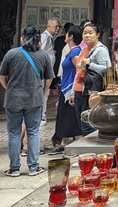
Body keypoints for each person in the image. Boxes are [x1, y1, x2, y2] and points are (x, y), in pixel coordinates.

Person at [0, 25, 55, 177]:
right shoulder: (43, 56)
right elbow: (49, 78)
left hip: (13, 100)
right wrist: (41, 93)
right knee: (33, 132)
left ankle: (14, 168)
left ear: (22, 37)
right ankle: (33, 167)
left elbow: (1, 76)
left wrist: (8, 89)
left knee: (14, 132)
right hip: (34, 100)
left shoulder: (11, 54)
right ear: (38, 39)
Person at [49, 25, 83, 154]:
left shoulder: (75, 53)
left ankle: (71, 144)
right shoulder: (71, 50)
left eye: (67, 34)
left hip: (71, 90)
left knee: (69, 117)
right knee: (66, 116)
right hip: (66, 89)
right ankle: (64, 143)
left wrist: (74, 91)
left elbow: (79, 71)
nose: (65, 35)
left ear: (71, 36)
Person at [73, 22, 110, 136]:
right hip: (79, 90)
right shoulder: (84, 49)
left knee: (88, 124)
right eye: (85, 33)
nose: (87, 36)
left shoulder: (100, 50)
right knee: (81, 122)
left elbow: (107, 69)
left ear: (97, 34)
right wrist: (72, 92)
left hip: (90, 91)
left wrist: (90, 65)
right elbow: (78, 71)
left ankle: (91, 151)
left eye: (90, 33)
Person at [39, 18, 61, 125]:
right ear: (48, 27)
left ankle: (42, 115)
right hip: (43, 72)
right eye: (55, 26)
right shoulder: (45, 37)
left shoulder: (50, 38)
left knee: (45, 94)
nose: (57, 29)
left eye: (58, 27)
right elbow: (40, 52)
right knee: (43, 93)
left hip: (48, 72)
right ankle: (41, 116)